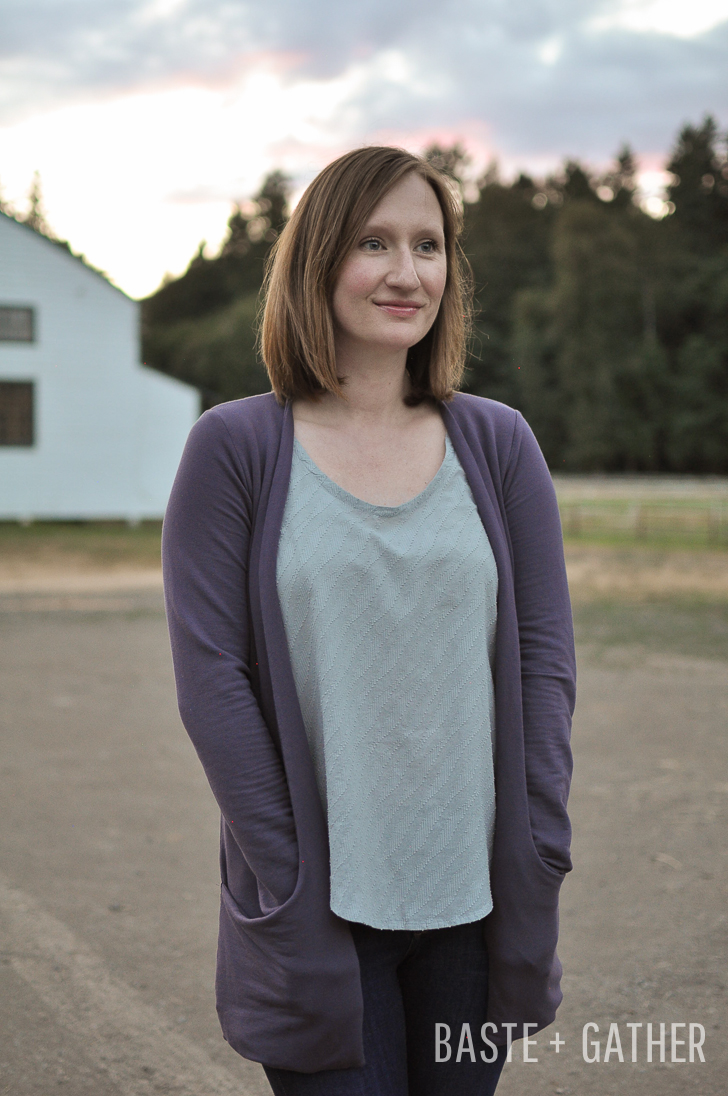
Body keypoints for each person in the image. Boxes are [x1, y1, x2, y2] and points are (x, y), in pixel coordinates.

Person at [162, 146, 576, 1096]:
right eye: (374, 243)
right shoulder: (234, 449)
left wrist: (540, 843)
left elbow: (544, 664)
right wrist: (289, 873)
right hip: (322, 904)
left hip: (475, 902)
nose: (407, 273)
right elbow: (213, 682)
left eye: (429, 246)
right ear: (317, 262)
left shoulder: (500, 443)